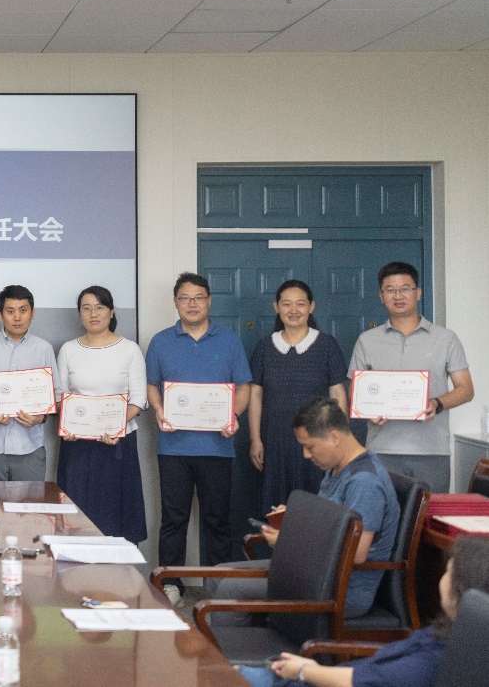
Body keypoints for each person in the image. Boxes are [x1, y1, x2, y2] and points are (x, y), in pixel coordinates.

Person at [207, 397, 399, 624]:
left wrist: (288, 542)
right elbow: (330, 525)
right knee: (218, 575)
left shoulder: (364, 482)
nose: (306, 455)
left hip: (341, 591)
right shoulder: (338, 467)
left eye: (310, 447)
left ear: (334, 438)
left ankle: (232, 648)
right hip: (316, 573)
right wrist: (293, 519)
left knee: (231, 589)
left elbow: (356, 554)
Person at [238, 535, 489, 687]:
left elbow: (362, 682)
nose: (441, 578)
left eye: (448, 572)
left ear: (461, 591)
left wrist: (304, 671)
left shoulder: (434, 662)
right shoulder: (451, 636)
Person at [146, 272, 252, 605]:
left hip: (217, 448)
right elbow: (151, 385)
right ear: (175, 302)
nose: (192, 304)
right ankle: (170, 584)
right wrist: (158, 409)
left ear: (209, 301)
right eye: (185, 298)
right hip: (173, 447)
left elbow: (244, 386)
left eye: (199, 297)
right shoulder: (161, 341)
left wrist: (234, 415)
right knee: (173, 519)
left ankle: (218, 587)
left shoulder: (229, 341)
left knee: (216, 520)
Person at [348, 261, 474, 492]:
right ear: (381, 296)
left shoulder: (445, 338)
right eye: (390, 290)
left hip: (432, 451)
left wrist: (437, 404)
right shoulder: (367, 340)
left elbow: (466, 389)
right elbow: (355, 391)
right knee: (382, 512)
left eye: (405, 288)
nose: (398, 296)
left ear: (418, 293)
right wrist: (367, 410)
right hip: (382, 450)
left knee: (430, 513)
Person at [56, 285, 147, 543]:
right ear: (79, 314)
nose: (93, 313)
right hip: (77, 443)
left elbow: (138, 399)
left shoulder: (129, 349)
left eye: (100, 307)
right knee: (78, 514)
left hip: (118, 441)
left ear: (111, 311)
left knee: (116, 514)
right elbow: (61, 396)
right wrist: (68, 424)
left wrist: (113, 425)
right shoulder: (68, 350)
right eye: (86, 308)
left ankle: (117, 568)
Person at [249, 280, 349, 513]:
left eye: (300, 304)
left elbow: (337, 393)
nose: (293, 310)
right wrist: (255, 439)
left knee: (317, 509)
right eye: (286, 304)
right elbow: (255, 395)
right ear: (276, 307)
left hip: (318, 439)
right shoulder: (264, 347)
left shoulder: (327, 345)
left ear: (311, 307)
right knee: (276, 509)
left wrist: (341, 439)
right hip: (275, 440)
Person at [0, 285, 63, 481]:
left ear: (32, 313)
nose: (17, 317)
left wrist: (40, 418)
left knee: (30, 501)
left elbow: (56, 395)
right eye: (10, 311)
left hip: (30, 446)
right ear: (0, 315)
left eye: (23, 310)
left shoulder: (44, 349)